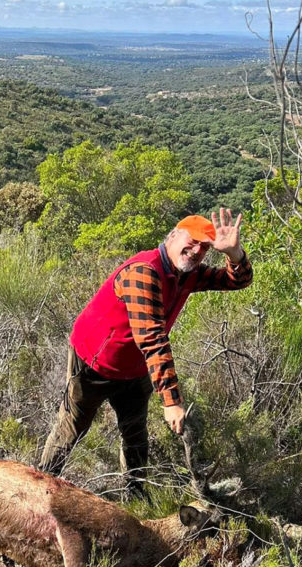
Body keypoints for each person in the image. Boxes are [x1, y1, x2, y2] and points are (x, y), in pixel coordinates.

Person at [38, 208, 253, 492]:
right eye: (192, 241)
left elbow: (237, 280)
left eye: (205, 246)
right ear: (173, 236)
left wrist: (234, 254)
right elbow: (152, 338)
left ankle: (136, 496)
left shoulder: (186, 273)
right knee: (71, 430)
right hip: (95, 364)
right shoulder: (144, 271)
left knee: (136, 435)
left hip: (135, 369)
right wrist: (172, 401)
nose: (197, 250)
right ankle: (38, 488)